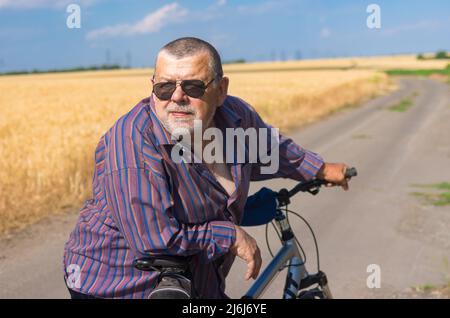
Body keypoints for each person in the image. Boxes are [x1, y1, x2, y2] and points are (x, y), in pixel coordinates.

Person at [63, 37, 350, 299]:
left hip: (198, 283)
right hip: (123, 286)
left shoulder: (235, 116)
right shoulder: (133, 143)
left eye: (193, 86)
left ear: (221, 89)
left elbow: (272, 149)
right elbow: (155, 240)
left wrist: (321, 169)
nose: (176, 97)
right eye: (164, 87)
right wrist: (231, 235)